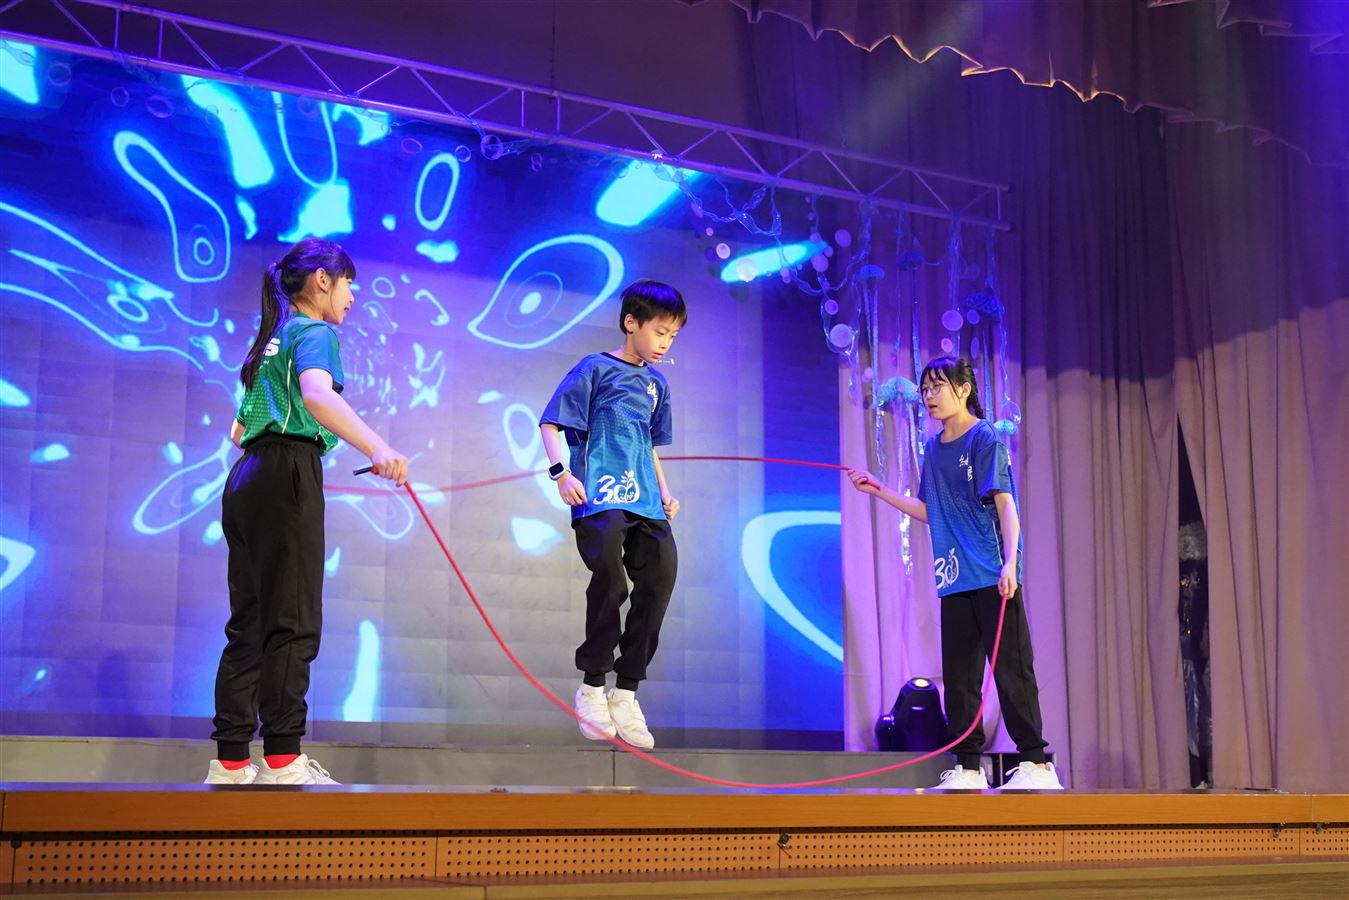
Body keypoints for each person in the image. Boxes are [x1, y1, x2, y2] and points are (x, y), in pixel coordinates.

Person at [204, 238, 408, 786]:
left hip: (247, 477)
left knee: (249, 621)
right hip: (285, 473)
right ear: (322, 280)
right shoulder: (314, 333)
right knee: (292, 618)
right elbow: (316, 395)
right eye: (348, 284)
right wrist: (378, 447)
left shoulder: (271, 341)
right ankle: (282, 757)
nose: (352, 296)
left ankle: (231, 760)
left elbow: (238, 431)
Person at [847, 356, 1062, 790]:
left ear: (964, 389)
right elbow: (931, 511)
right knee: (961, 676)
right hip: (955, 578)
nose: (929, 396)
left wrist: (1010, 562)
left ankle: (1036, 762)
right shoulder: (933, 448)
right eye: (925, 389)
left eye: (937, 387)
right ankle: (967, 766)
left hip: (992, 573)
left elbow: (1005, 504)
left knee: (1011, 669)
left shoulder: (984, 437)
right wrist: (879, 490)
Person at [539, 279, 685, 750]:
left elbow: (649, 444)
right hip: (601, 496)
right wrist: (561, 473)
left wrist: (665, 491)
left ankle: (626, 692)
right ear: (631, 323)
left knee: (660, 579)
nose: (665, 342)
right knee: (610, 582)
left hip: (647, 502)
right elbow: (550, 421)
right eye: (660, 332)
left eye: (672, 335)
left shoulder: (657, 385)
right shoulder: (595, 368)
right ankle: (592, 686)